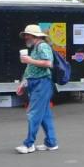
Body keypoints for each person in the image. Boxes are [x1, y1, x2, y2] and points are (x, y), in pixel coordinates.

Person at [15, 24, 58, 153]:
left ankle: (29, 144)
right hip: (40, 83)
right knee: (44, 115)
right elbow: (33, 68)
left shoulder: (41, 46)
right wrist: (23, 83)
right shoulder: (37, 47)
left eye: (26, 35)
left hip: (41, 83)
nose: (25, 38)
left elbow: (48, 63)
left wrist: (30, 61)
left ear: (33, 36)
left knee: (33, 113)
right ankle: (51, 142)